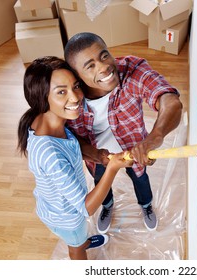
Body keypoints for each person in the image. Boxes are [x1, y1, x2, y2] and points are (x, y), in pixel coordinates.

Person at [64, 32, 183, 233]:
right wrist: (97, 155)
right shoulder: (69, 97)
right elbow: (68, 137)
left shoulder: (131, 69)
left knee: (140, 178)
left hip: (135, 148)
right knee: (101, 181)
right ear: (77, 76)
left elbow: (170, 100)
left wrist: (154, 138)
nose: (104, 67)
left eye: (104, 56)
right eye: (90, 66)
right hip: (98, 156)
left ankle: (146, 206)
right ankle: (107, 206)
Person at [17, 56, 132, 260]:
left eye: (75, 86)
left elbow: (69, 143)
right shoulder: (51, 156)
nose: (75, 97)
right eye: (61, 92)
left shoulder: (42, 119)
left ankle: (83, 240)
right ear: (41, 97)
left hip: (53, 205)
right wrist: (113, 167)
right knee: (76, 248)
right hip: (68, 217)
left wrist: (96, 154)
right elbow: (86, 208)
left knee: (79, 239)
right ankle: (81, 245)